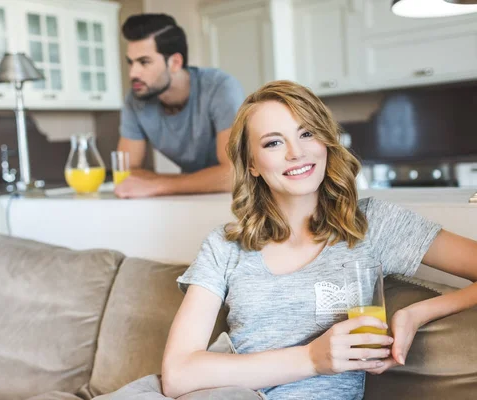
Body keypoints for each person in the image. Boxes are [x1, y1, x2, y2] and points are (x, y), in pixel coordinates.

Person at [161, 80, 477, 399]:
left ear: (325, 140)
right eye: (273, 143)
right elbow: (177, 375)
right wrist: (312, 358)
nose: (296, 153)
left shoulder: (373, 224)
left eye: (307, 133)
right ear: (252, 164)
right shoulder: (225, 246)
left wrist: (415, 313)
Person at [115, 14, 245, 198]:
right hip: (189, 197)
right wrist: (186, 182)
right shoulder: (135, 100)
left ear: (175, 62)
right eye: (131, 62)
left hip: (238, 198)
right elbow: (126, 172)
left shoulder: (220, 87)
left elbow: (234, 174)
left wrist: (157, 185)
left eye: (144, 62)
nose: (133, 73)